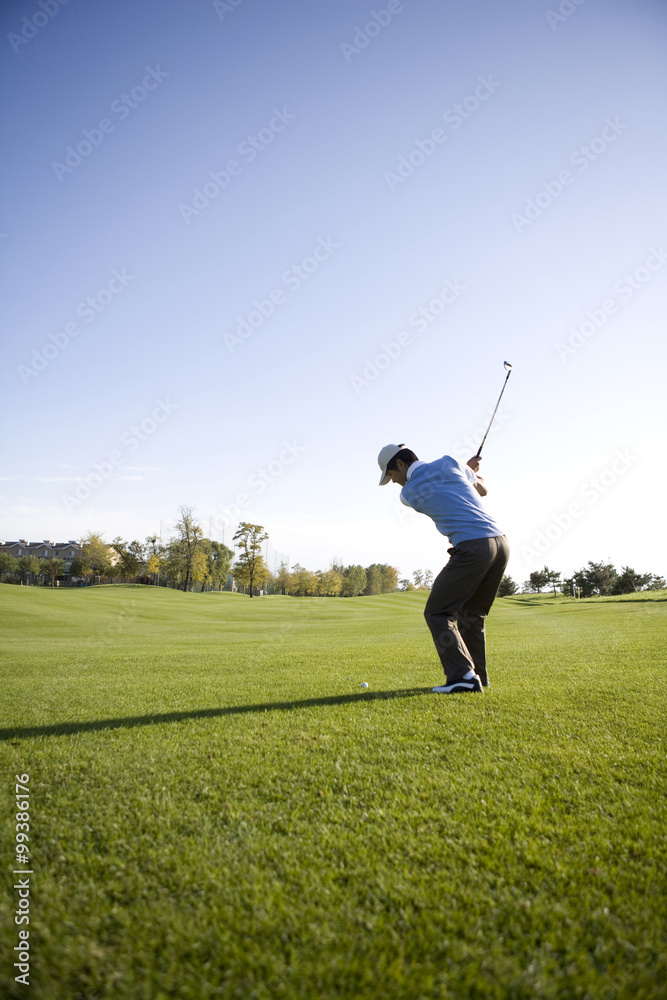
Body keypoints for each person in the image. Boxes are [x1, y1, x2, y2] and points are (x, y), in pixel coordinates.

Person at [377, 443, 509, 694]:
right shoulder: (450, 462)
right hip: (501, 544)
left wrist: (465, 471)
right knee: (472, 613)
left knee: (437, 612)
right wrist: (469, 472)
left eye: (392, 475)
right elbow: (483, 489)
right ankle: (477, 677)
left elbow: (441, 488)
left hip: (474, 547)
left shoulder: (408, 494)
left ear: (401, 465)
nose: (394, 482)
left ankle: (463, 676)